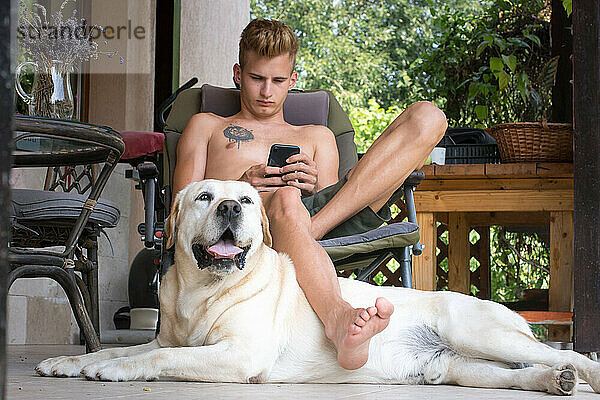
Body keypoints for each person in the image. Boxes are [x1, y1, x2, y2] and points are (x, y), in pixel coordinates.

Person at [173, 18, 447, 370]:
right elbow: (183, 201)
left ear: (294, 81)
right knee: (286, 198)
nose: (267, 92)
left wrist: (315, 184)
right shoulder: (207, 126)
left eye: (278, 80)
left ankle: (307, 230)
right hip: (248, 236)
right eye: (257, 78)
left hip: (321, 222)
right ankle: (338, 319)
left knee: (429, 116)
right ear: (238, 74)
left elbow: (336, 199)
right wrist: (242, 188)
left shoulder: (318, 136)